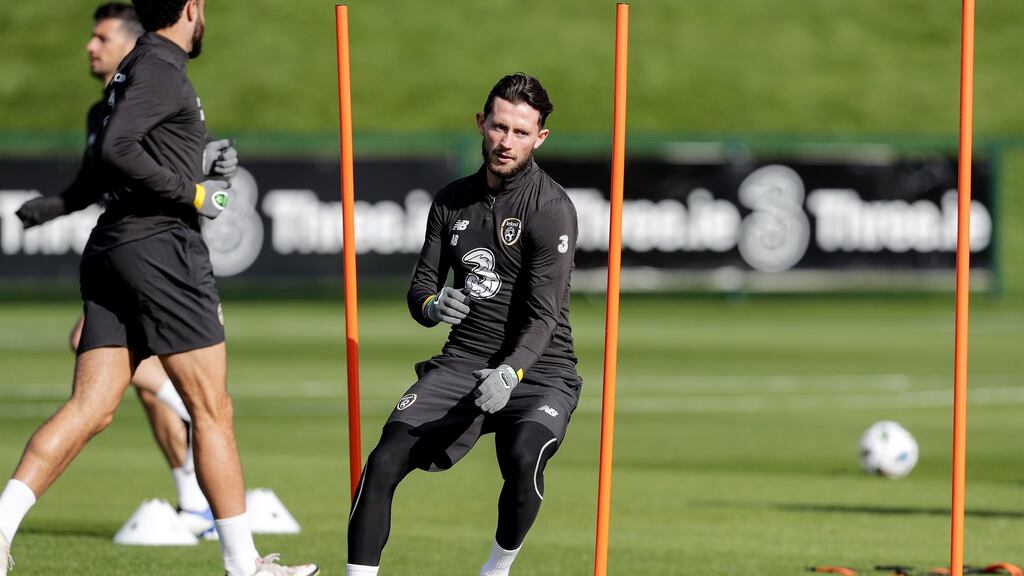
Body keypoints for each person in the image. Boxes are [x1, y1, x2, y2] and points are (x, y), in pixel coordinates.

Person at [0, 1, 318, 575]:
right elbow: (119, 149)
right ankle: (245, 565)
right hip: (160, 248)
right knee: (211, 407)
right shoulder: (159, 64)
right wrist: (195, 194)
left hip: (114, 246)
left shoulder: (139, 68)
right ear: (192, 7)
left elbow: (126, 151)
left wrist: (201, 159)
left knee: (91, 408)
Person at [346, 73, 581, 576]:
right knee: (384, 460)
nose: (505, 142)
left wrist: (511, 373)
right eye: (499, 127)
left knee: (523, 458)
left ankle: (496, 569)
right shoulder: (450, 200)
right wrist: (433, 305)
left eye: (520, 132)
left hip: (539, 370)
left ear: (540, 138)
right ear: (482, 123)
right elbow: (420, 288)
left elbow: (544, 318)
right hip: (461, 361)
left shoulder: (552, 209)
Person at [17, 3, 215, 536]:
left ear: (131, 41)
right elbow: (98, 175)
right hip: (138, 247)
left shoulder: (155, 78)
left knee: (102, 391)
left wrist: (206, 179)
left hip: (152, 250)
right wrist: (50, 207)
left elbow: (170, 163)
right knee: (170, 403)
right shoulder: (108, 105)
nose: (90, 46)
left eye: (101, 37)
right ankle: (218, 531)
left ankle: (199, 504)